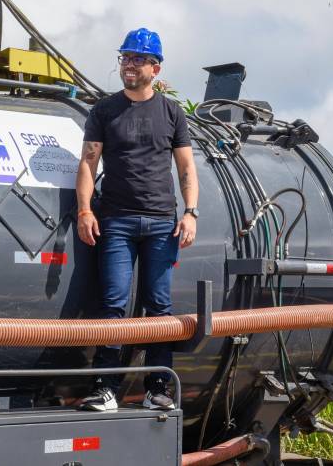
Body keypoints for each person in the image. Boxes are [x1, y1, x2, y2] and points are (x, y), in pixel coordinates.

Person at [76, 28, 199, 411]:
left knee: (158, 306)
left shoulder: (171, 112)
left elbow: (186, 167)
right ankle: (105, 388)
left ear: (155, 68)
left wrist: (190, 212)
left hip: (162, 222)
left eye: (137, 59)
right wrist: (84, 210)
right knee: (113, 303)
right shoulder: (104, 110)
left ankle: (158, 389)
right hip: (116, 221)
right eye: (125, 58)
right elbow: (88, 162)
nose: (129, 65)